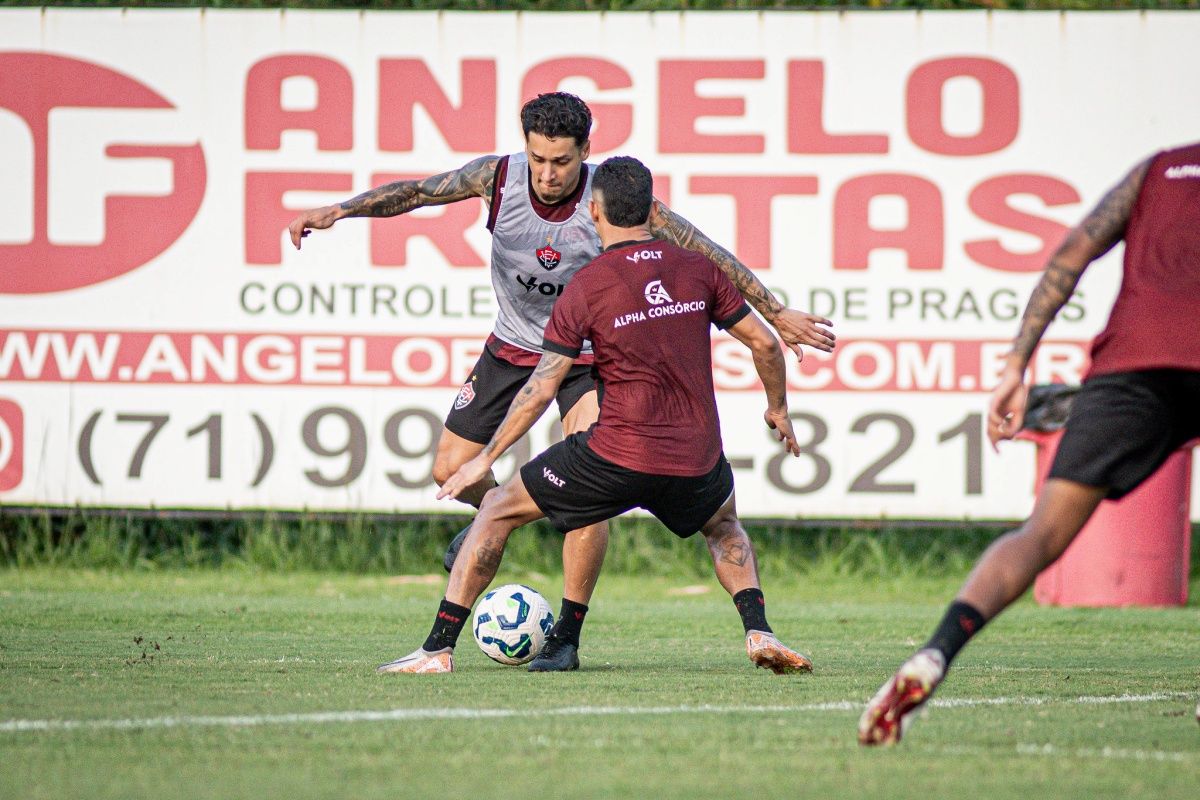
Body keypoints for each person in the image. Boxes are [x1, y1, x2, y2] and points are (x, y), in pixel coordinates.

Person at [288, 93, 835, 671]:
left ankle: (567, 634)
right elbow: (419, 192)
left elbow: (707, 254)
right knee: (450, 467)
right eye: (539, 159)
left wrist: (774, 311)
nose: (548, 175)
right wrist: (340, 212)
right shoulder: (497, 177)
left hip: (591, 360)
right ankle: (503, 515)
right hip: (513, 345)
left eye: (562, 162)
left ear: (586, 154)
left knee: (594, 483)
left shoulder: (613, 198)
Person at [858, 142, 1200, 745]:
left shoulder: (1159, 168)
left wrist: (1016, 363)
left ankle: (935, 654)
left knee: (1040, 532)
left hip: (1131, 366)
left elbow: (1071, 255)